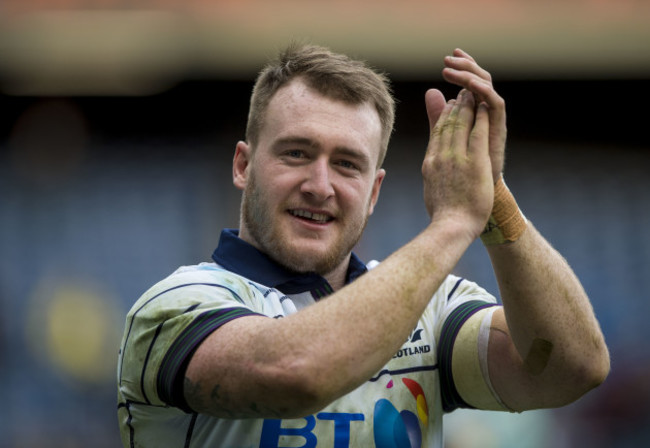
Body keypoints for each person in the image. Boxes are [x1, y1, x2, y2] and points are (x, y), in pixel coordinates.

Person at [117, 43, 610, 447]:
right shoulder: (175, 306)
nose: (320, 185)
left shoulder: (433, 311)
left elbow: (572, 369)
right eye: (296, 153)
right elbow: (298, 376)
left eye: (347, 164)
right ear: (243, 166)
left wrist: (493, 197)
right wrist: (455, 222)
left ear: (373, 192)